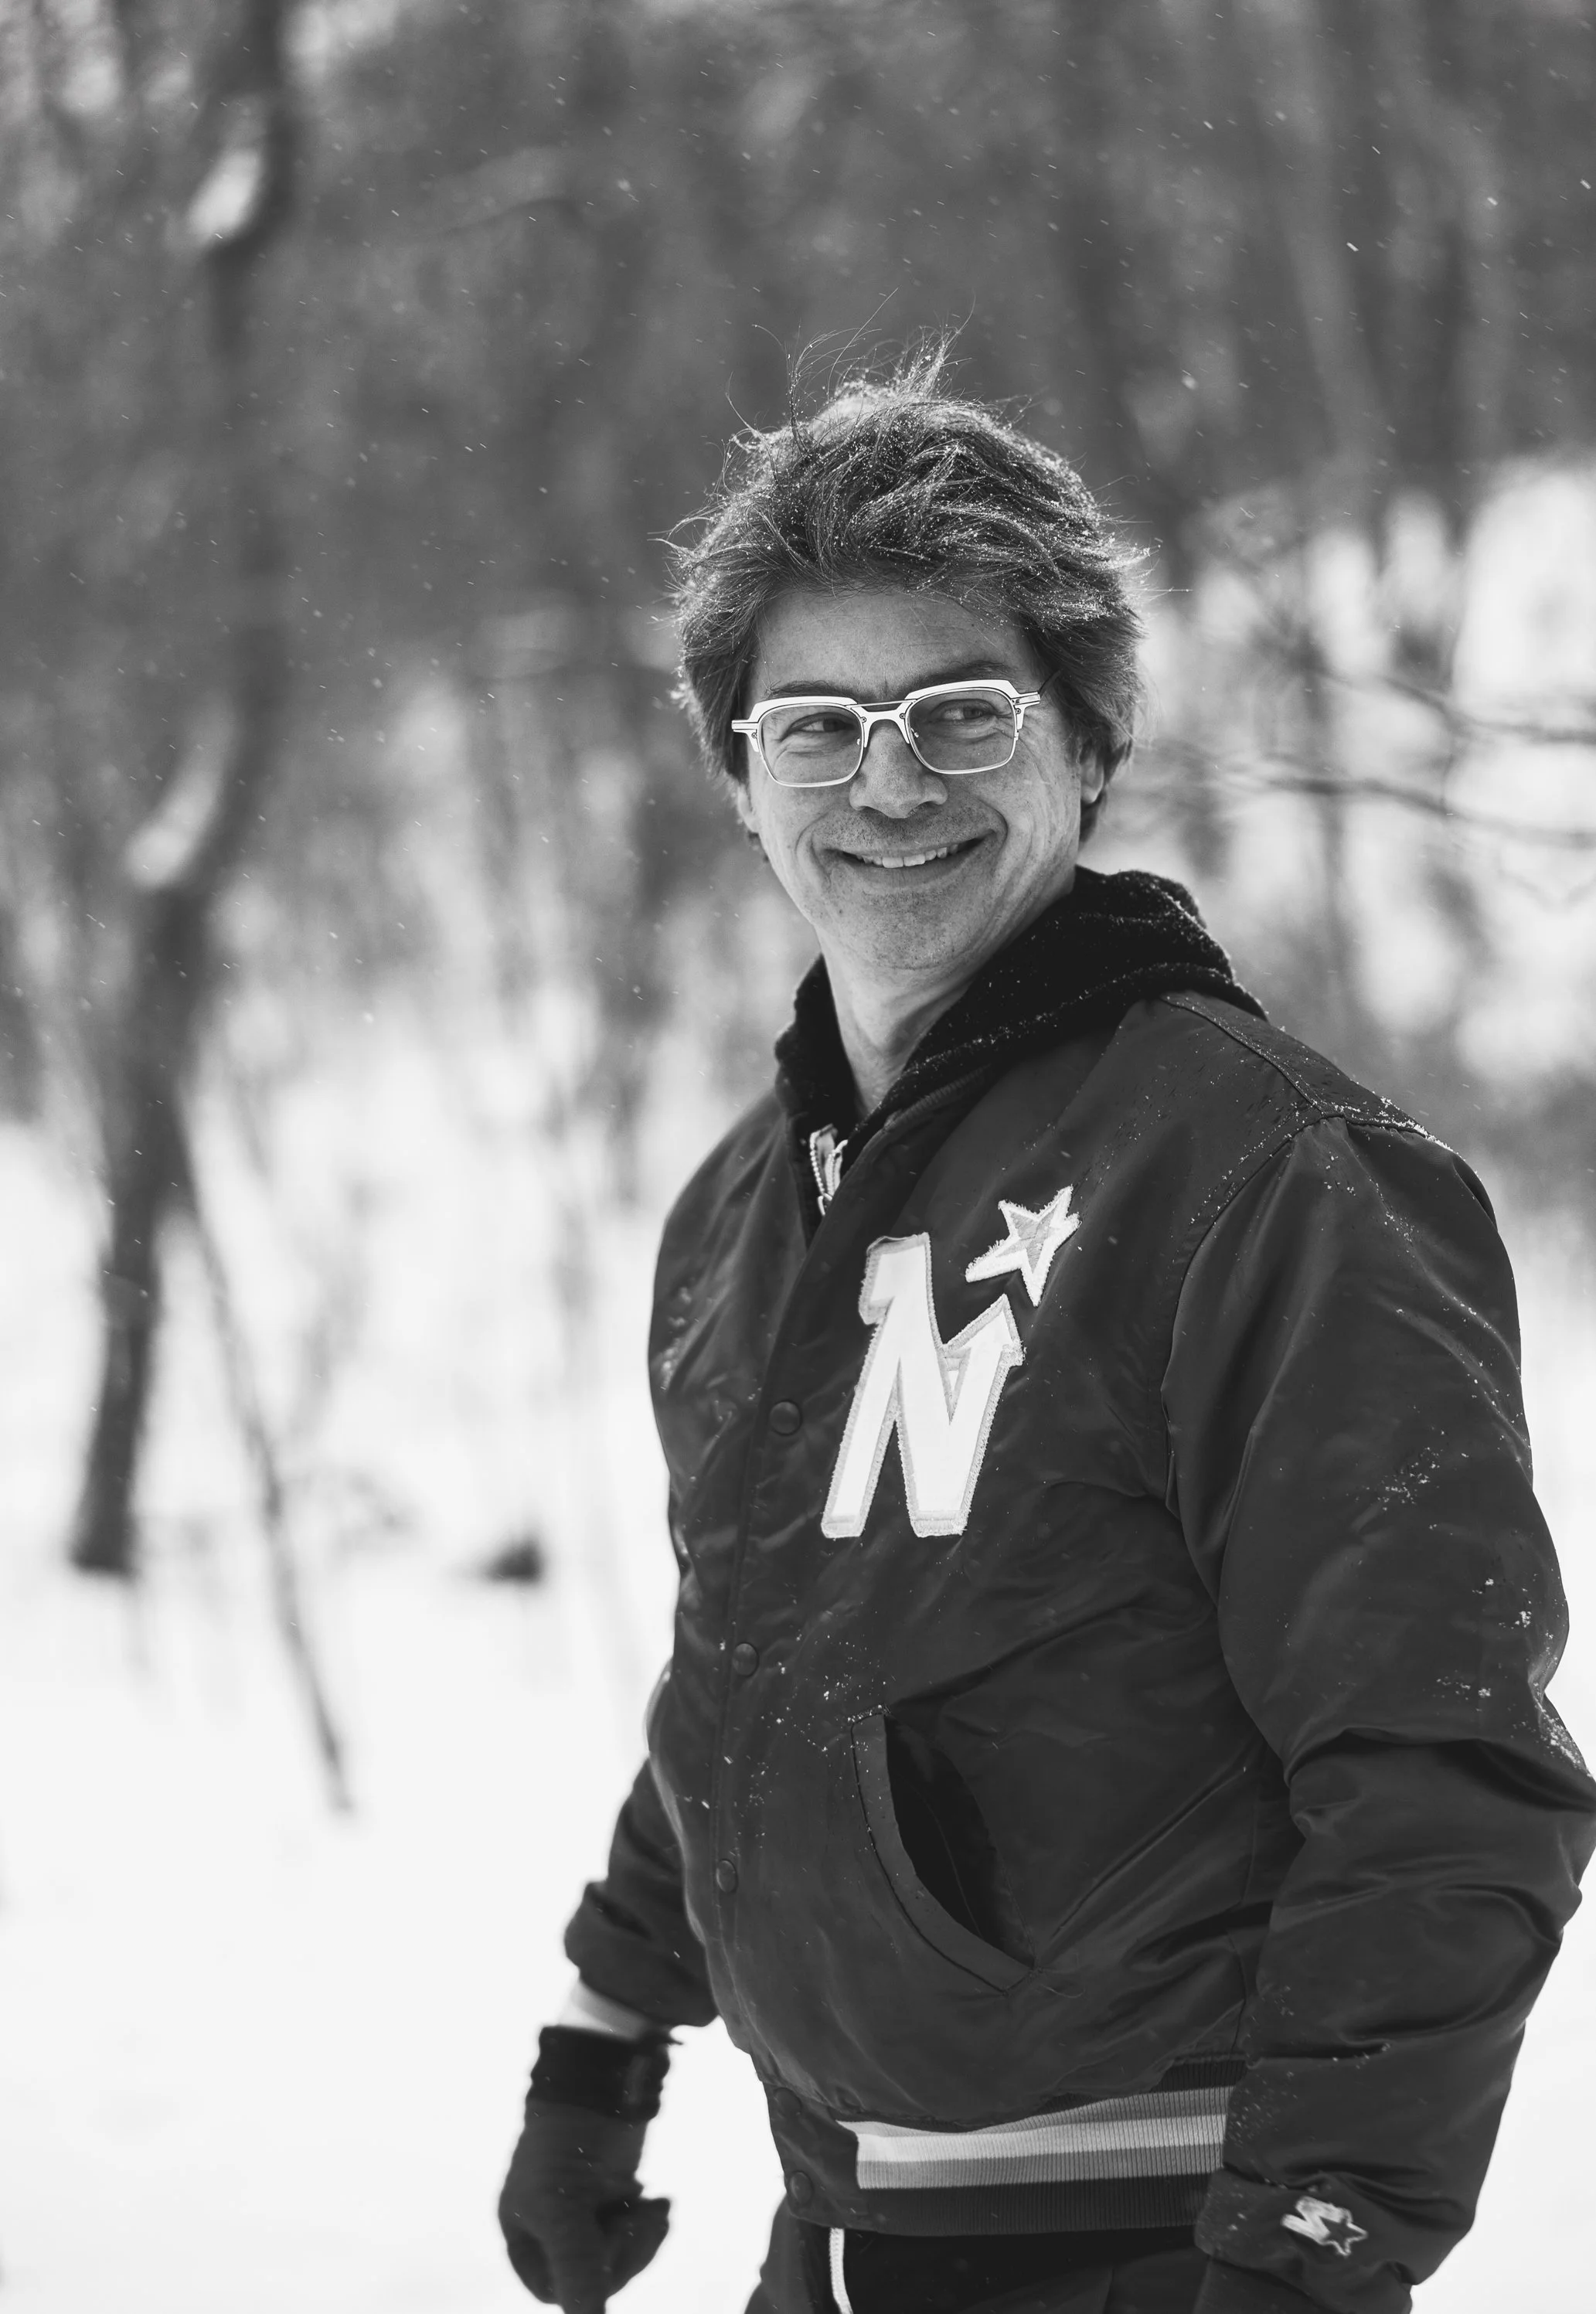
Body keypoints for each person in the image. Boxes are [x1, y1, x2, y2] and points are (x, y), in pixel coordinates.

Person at [496, 363, 1596, 2314]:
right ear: (737, 777)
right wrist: (603, 2033)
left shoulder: (1267, 1172)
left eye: (961, 713)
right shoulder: (744, 1209)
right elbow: (757, 1674)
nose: (892, 782)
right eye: (820, 728)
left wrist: (1311, 2252)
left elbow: (1442, 1764)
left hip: (1156, 2245)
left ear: (1088, 748)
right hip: (833, 2235)